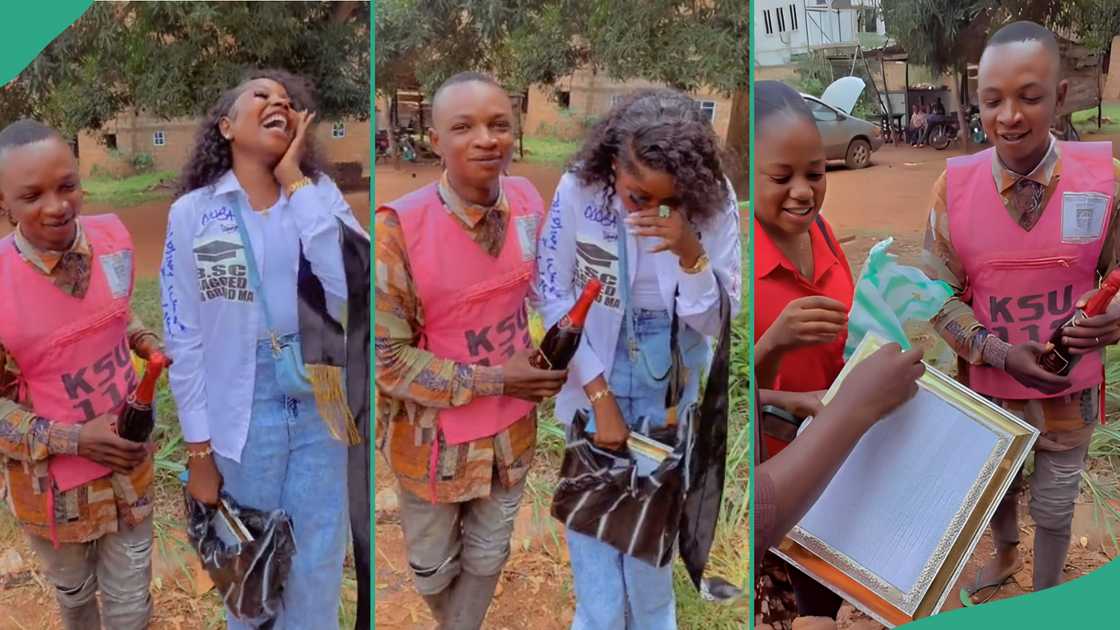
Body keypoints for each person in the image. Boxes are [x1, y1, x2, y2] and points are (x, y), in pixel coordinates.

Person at [921, 21, 1120, 602]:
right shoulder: (951, 189)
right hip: (989, 387)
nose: (1010, 115)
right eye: (993, 100)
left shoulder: (1103, 181)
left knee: (1056, 504)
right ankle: (1007, 551)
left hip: (1070, 389)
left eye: (1030, 97)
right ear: (976, 101)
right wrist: (1000, 352)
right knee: (997, 490)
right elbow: (932, 296)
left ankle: (1047, 592)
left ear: (1060, 96)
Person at [161, 70, 366, 629]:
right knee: (247, 568)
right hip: (239, 405)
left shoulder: (317, 195)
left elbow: (353, 285)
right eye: (261, 96)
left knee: (318, 564)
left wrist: (296, 180)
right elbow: (184, 338)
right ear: (226, 126)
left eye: (287, 100)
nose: (278, 101)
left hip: (318, 388)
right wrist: (199, 455)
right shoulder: (194, 214)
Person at [534, 88, 742, 630]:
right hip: (594, 367)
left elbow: (720, 322)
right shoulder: (579, 189)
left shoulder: (714, 199)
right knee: (598, 580)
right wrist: (598, 396)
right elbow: (553, 292)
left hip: (670, 386)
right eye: (635, 195)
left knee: (649, 571)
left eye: (664, 200)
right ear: (612, 163)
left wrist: (690, 254)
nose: (647, 211)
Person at [374, 71, 567, 630]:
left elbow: (549, 290)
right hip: (432, 446)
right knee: (432, 569)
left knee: (488, 554)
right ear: (435, 140)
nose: (486, 138)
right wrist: (497, 380)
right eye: (464, 126)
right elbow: (388, 361)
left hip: (511, 436)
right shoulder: (399, 229)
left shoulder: (528, 203)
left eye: (498, 124)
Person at [0, 119, 163, 629]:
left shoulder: (112, 238)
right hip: (54, 491)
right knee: (75, 598)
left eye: (67, 186)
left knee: (130, 605)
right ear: (4, 201)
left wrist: (143, 339)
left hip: (130, 466)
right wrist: (73, 438)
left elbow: (116, 311)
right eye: (32, 195)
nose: (57, 205)